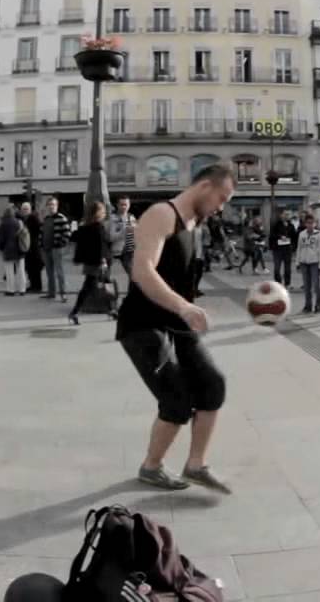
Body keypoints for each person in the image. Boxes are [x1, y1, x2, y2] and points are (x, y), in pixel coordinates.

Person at [116, 163, 236, 493]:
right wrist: (183, 306)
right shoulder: (161, 214)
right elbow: (143, 271)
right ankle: (151, 467)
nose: (221, 207)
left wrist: (191, 307)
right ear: (205, 187)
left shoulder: (196, 223)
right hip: (143, 325)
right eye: (222, 198)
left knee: (213, 386)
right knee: (177, 401)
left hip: (177, 325)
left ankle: (195, 466)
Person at [69, 201, 117, 325]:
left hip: (91, 262)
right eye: (102, 211)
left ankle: (111, 309)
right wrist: (103, 260)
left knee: (103, 285)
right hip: (98, 262)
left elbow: (75, 239)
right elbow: (101, 246)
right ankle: (75, 312)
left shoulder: (86, 226)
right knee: (91, 286)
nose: (104, 213)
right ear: (97, 213)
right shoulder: (98, 227)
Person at [41, 197, 71, 302]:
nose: (51, 206)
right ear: (47, 206)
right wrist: (41, 245)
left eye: (53, 204)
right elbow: (42, 233)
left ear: (57, 206)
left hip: (57, 249)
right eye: (49, 204)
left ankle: (63, 293)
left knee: (59, 272)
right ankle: (51, 292)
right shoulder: (46, 219)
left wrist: (60, 244)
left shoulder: (61, 218)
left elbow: (67, 234)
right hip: (46, 249)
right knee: (49, 272)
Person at [108, 196, 137, 296]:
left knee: (134, 275)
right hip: (119, 251)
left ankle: (131, 294)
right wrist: (123, 231)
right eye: (122, 204)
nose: (124, 207)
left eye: (126, 204)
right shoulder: (113, 218)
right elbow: (111, 237)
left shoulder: (131, 217)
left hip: (131, 250)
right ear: (117, 205)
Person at [296, 213, 320, 314]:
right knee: (307, 286)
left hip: (315, 263)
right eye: (308, 223)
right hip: (304, 262)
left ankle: (318, 305)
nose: (310, 225)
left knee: (316, 285)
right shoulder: (302, 234)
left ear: (315, 224)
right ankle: (308, 306)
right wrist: (297, 262)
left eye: (312, 223)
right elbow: (299, 248)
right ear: (305, 224)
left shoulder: (318, 235)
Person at [0, 206, 27, 296]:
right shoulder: (19, 222)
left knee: (9, 271)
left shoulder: (3, 224)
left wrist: (1, 248)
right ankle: (22, 289)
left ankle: (10, 290)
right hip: (20, 249)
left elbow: (1, 239)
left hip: (8, 249)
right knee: (21, 270)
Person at [269, 209, 297, 288]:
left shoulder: (291, 225)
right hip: (277, 249)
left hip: (287, 249)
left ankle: (287, 283)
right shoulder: (276, 224)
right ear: (281, 215)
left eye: (288, 215)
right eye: (285, 214)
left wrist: (293, 247)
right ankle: (278, 283)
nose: (286, 216)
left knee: (287, 268)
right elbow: (271, 235)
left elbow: (294, 237)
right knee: (277, 268)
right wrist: (280, 237)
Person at [20, 202, 44, 292]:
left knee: (35, 268)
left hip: (33, 247)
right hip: (29, 246)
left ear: (30, 210)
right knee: (30, 268)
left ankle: (37, 287)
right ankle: (33, 285)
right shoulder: (26, 219)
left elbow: (39, 229)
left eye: (26, 209)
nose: (25, 211)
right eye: (23, 209)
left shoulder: (32, 218)